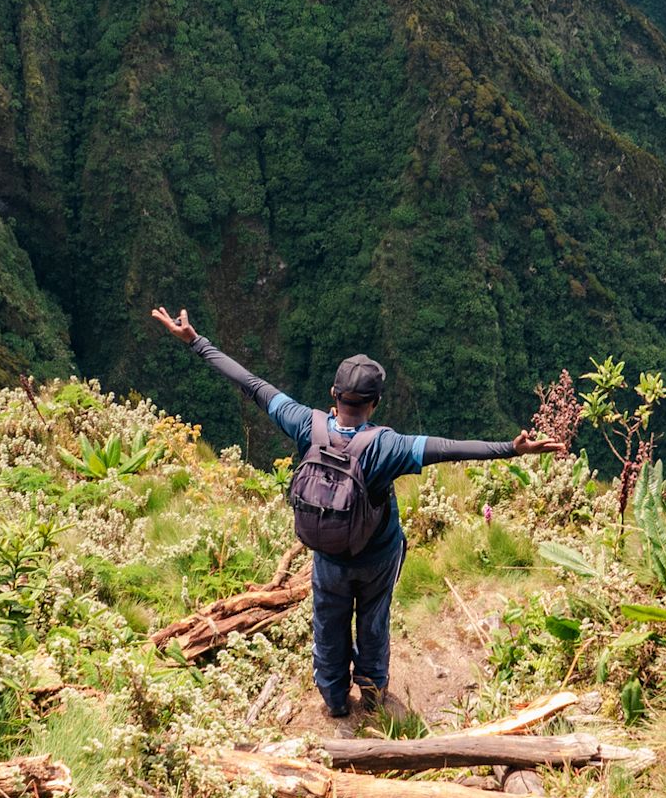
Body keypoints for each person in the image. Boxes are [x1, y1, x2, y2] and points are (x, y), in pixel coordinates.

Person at [152, 307, 563, 718]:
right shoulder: (389, 446)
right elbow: (449, 448)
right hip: (377, 555)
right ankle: (371, 693)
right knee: (373, 620)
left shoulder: (305, 425)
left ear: (334, 394)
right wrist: (511, 448)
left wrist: (196, 342)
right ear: (376, 403)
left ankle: (333, 700)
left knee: (328, 624)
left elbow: (253, 385)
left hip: (328, 555)